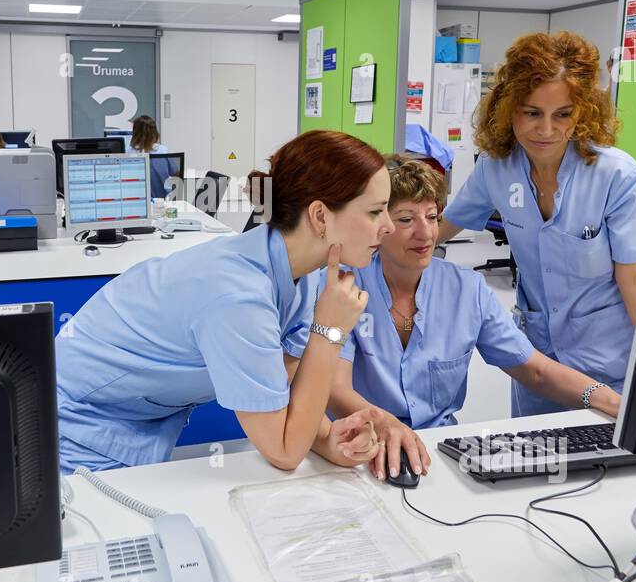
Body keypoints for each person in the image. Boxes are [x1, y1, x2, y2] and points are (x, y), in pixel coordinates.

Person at [56, 130, 397, 472]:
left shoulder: (303, 272)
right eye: (375, 212)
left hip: (140, 416)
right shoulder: (238, 294)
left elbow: (281, 386)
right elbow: (284, 452)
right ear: (320, 216)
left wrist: (327, 439)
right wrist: (330, 332)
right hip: (80, 423)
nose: (388, 227)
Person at [306, 156, 621, 483]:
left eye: (432, 216)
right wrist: (388, 425)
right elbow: (335, 388)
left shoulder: (466, 289)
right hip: (359, 447)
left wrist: (610, 400)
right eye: (406, 219)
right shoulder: (343, 288)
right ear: (378, 225)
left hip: (435, 452)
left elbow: (534, 369)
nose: (426, 232)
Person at [437, 31, 636, 418]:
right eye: (532, 112)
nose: (547, 130)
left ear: (584, 111)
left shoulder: (617, 177)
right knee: (536, 462)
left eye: (563, 114)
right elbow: (438, 228)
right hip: (539, 364)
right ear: (508, 108)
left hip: (609, 363)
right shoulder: (496, 170)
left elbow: (635, 280)